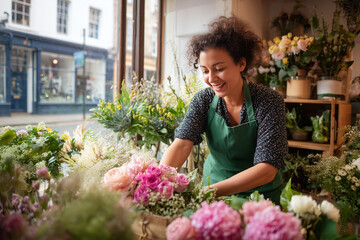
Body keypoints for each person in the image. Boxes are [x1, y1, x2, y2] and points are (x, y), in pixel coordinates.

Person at [160, 16, 287, 204]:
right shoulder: (203, 100)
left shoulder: (268, 101)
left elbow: (267, 169)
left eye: (218, 68)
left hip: (260, 197)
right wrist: (157, 181)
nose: (211, 78)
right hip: (214, 192)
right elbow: (181, 144)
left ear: (241, 64)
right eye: (204, 70)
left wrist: (207, 192)